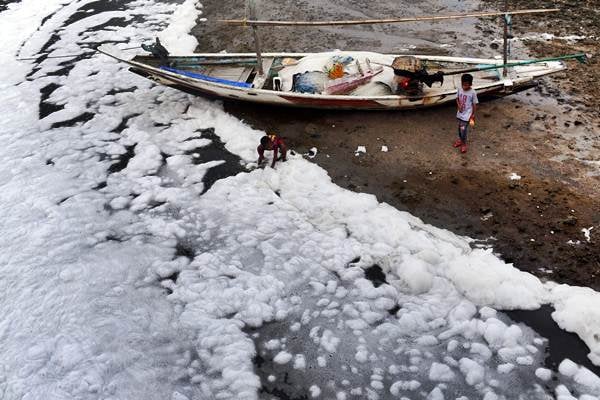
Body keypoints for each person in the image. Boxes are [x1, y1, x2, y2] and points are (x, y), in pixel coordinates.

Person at [453, 74, 479, 154]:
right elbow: (457, 98)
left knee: (463, 129)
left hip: (468, 115)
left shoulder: (473, 92)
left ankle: (463, 144)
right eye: (463, 84)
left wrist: (473, 114)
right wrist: (459, 105)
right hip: (460, 113)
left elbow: (475, 104)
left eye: (466, 85)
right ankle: (460, 140)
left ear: (470, 84)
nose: (464, 86)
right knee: (459, 128)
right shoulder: (459, 89)